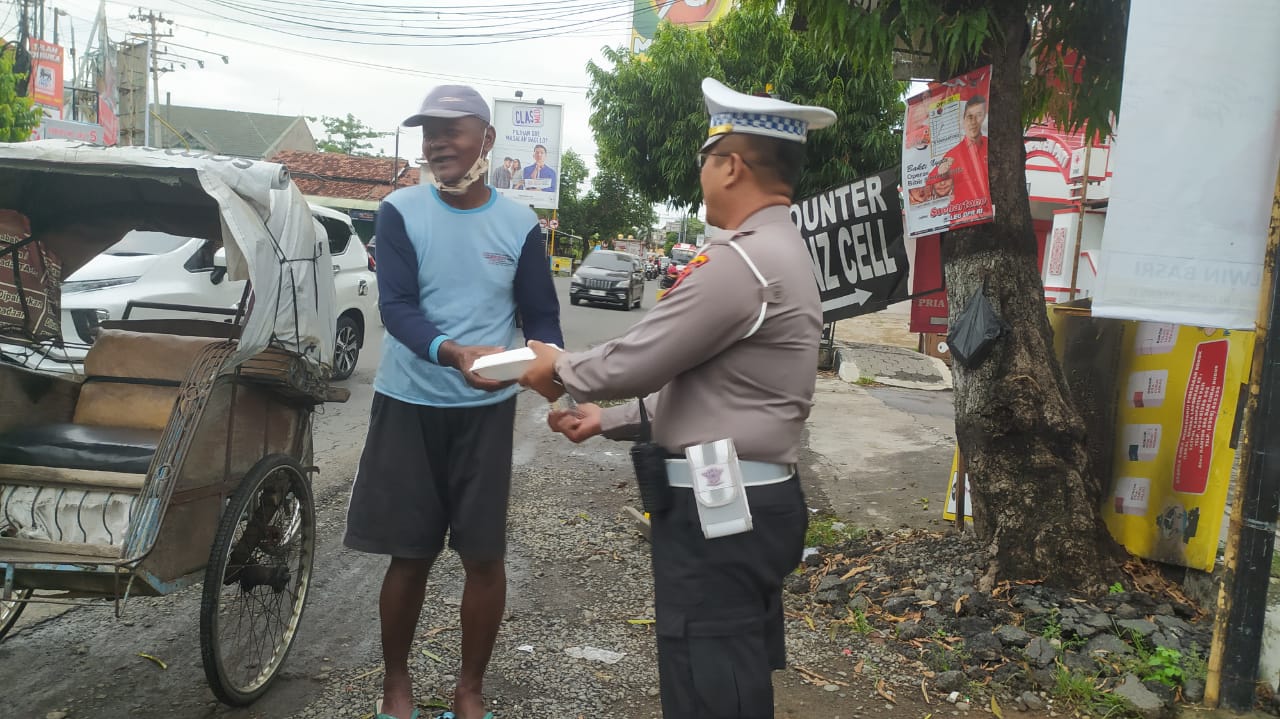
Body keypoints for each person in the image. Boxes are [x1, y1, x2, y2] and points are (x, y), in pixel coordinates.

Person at [519, 77, 835, 719]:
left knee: (711, 683)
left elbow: (641, 357)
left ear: (732, 166)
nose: (702, 175)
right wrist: (607, 420)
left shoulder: (743, 264)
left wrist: (559, 368)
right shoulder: (779, 252)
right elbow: (716, 387)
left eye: (705, 160)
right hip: (741, 501)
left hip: (722, 508)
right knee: (724, 668)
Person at [344, 84, 563, 719]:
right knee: (409, 554)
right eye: (429, 133)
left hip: (484, 415)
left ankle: (469, 691)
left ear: (487, 139)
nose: (437, 143)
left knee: (484, 557)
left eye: (451, 131)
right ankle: (397, 686)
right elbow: (397, 308)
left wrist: (549, 370)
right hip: (409, 404)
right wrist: (453, 353)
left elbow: (541, 317)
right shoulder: (399, 210)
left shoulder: (519, 224)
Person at [929, 94, 988, 212]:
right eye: (969, 116)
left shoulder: (992, 147)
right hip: (962, 217)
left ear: (984, 118)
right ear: (963, 120)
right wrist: (940, 173)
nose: (973, 122)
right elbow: (929, 183)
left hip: (990, 213)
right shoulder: (952, 154)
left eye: (978, 115)